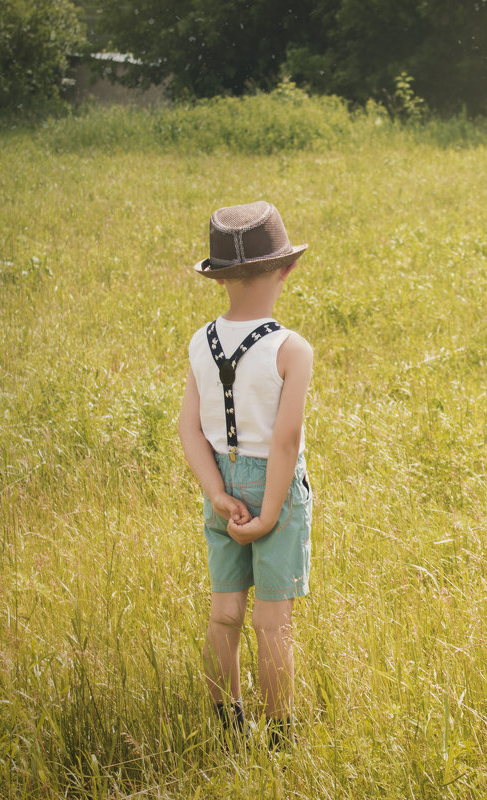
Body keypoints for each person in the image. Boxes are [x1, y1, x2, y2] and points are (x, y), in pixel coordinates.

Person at [177, 201, 314, 748]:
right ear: (286, 269)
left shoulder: (199, 342)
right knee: (271, 622)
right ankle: (281, 736)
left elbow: (189, 430)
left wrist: (215, 493)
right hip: (273, 487)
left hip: (222, 485)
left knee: (226, 612)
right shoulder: (291, 348)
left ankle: (227, 727)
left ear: (218, 278)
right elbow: (285, 440)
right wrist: (271, 513)